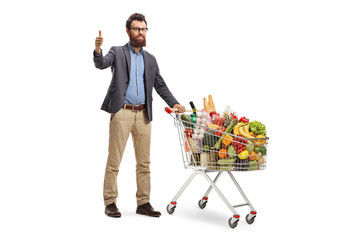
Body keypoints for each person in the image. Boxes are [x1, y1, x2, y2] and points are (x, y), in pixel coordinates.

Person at [93, 13, 185, 218]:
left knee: (144, 163)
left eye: (143, 29)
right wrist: (98, 50)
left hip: (143, 115)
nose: (140, 33)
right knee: (114, 160)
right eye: (136, 29)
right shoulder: (117, 52)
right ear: (128, 31)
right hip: (122, 113)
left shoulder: (150, 59)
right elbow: (101, 64)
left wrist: (175, 103)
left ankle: (143, 202)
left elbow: (160, 85)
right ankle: (110, 202)